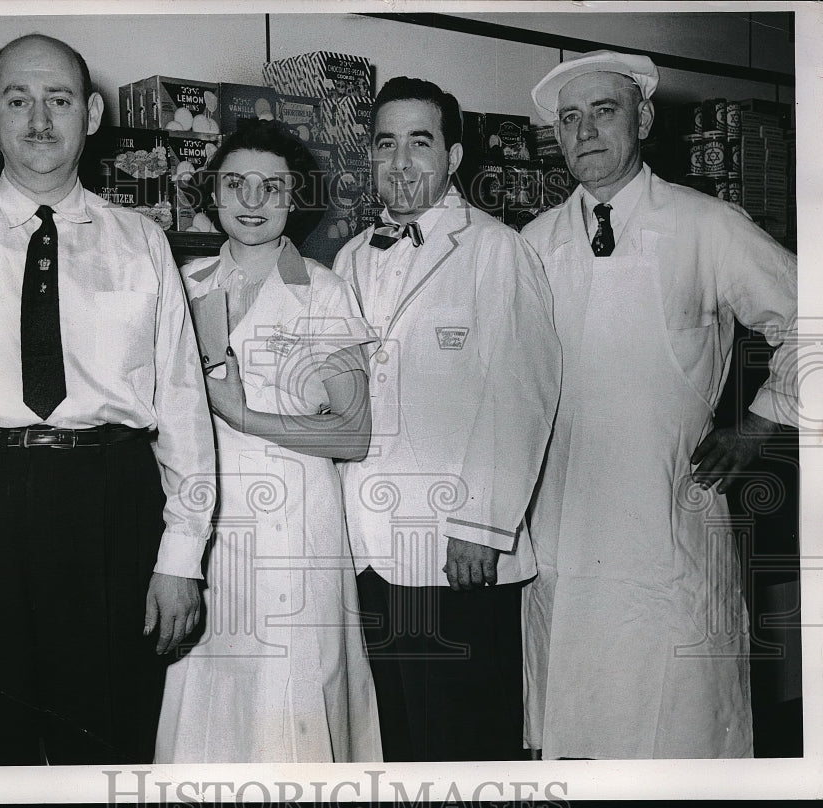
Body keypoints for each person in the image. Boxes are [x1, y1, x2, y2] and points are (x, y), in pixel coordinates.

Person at [0, 34, 215, 765]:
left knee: (109, 747)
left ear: (91, 112)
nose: (39, 120)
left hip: (112, 506)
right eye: (17, 100)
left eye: (58, 100)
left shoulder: (143, 242)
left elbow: (183, 407)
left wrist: (182, 556)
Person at [522, 51, 799, 759]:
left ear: (643, 118)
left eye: (603, 111)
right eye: (569, 119)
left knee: (679, 737)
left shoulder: (705, 225)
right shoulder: (533, 243)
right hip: (563, 533)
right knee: (575, 743)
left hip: (667, 525)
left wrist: (764, 419)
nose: (584, 131)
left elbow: (809, 315)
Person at [332, 77, 562, 761]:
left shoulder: (495, 249)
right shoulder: (347, 259)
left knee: (465, 747)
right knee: (397, 743)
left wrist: (481, 526)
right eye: (386, 143)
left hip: (457, 553)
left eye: (420, 142)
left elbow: (523, 389)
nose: (400, 162)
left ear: (454, 157)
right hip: (368, 549)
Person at [155, 120, 383, 763]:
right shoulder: (184, 284)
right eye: (236, 184)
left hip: (296, 524)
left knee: (292, 694)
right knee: (212, 693)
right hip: (208, 522)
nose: (252, 201)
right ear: (214, 193)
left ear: (294, 198)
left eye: (271, 187)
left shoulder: (323, 290)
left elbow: (353, 433)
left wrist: (245, 415)